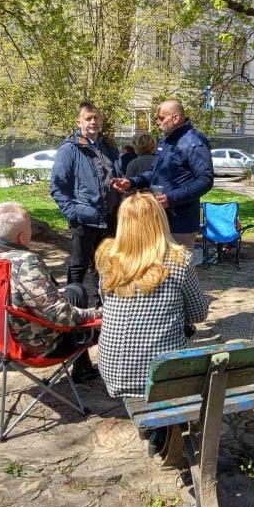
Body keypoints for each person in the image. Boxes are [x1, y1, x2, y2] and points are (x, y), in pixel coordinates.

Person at [96, 192, 209, 450]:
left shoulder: (108, 261)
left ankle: (151, 425)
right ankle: (156, 425)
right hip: (163, 373)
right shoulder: (178, 262)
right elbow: (199, 314)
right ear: (160, 222)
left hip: (115, 368)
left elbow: (105, 302)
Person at [0, 202, 102, 359]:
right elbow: (60, 316)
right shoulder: (24, 262)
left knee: (72, 290)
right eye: (30, 228)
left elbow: (7, 291)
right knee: (76, 291)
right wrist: (99, 314)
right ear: (23, 237)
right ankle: (82, 368)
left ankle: (83, 369)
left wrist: (50, 293)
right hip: (34, 346)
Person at [111, 99, 213, 249]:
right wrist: (131, 182)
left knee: (177, 270)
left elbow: (205, 180)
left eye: (161, 118)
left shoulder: (194, 142)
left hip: (180, 224)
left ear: (175, 118)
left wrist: (171, 199)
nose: (157, 122)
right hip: (158, 218)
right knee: (157, 269)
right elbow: (154, 172)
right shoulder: (165, 141)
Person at [51, 101, 121, 286]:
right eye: (88, 118)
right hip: (84, 219)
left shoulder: (108, 147)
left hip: (109, 217)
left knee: (105, 264)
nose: (93, 122)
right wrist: (73, 215)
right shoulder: (69, 149)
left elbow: (118, 175)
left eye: (96, 118)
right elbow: (57, 187)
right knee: (78, 265)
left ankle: (104, 305)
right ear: (79, 122)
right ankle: (74, 305)